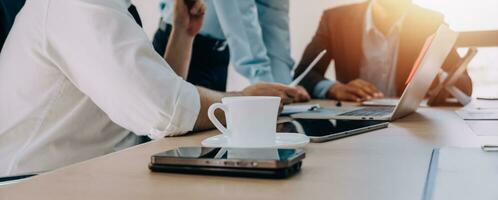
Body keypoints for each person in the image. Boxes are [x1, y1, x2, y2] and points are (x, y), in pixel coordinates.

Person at [0, 0, 308, 177]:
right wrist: (243, 102)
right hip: (38, 184)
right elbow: (163, 111)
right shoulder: (80, 3)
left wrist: (183, 34)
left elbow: (149, 98)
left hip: (89, 174)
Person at [294, 0, 473, 102]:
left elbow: (465, 86)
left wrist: (437, 78)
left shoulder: (430, 22)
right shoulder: (335, 20)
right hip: (352, 121)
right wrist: (334, 88)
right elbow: (304, 74)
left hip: (412, 125)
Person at [154, 0, 299, 91]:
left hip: (219, 52)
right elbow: (238, 12)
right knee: (170, 132)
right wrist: (265, 84)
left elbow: (274, 19)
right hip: (180, 43)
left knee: (210, 132)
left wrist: (285, 88)